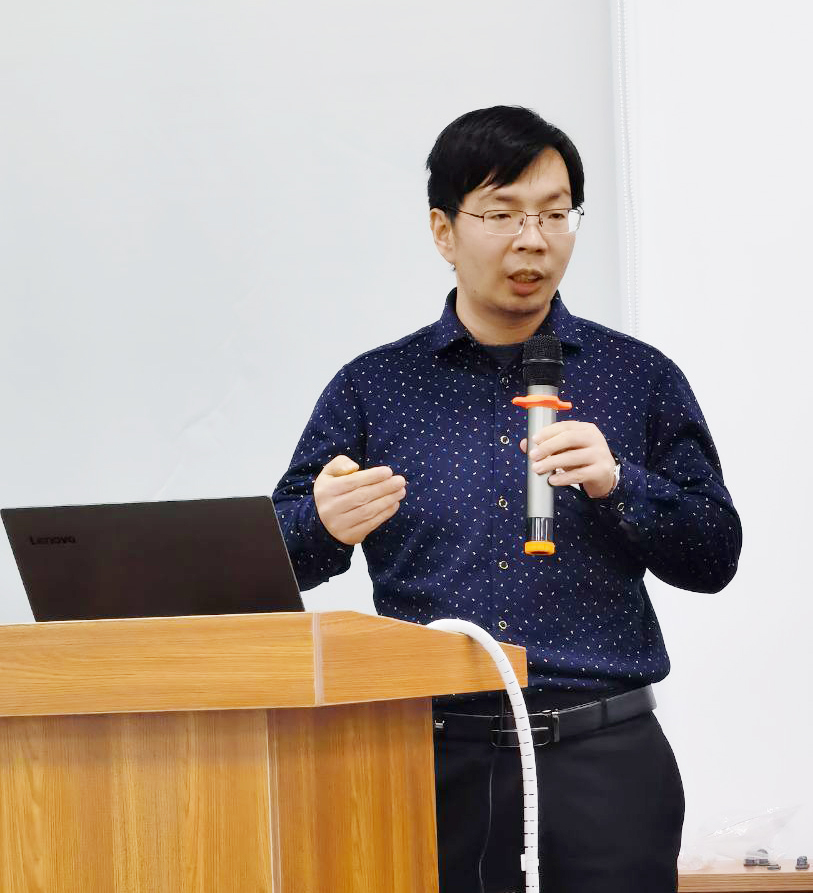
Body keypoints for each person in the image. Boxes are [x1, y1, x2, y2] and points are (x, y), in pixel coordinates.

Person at [272, 106, 741, 893]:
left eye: (555, 214)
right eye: (502, 214)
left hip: (603, 763)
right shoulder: (373, 387)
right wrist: (319, 522)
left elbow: (715, 553)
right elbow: (272, 555)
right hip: (423, 761)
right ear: (443, 229)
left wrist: (620, 483)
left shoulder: (638, 376)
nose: (533, 239)